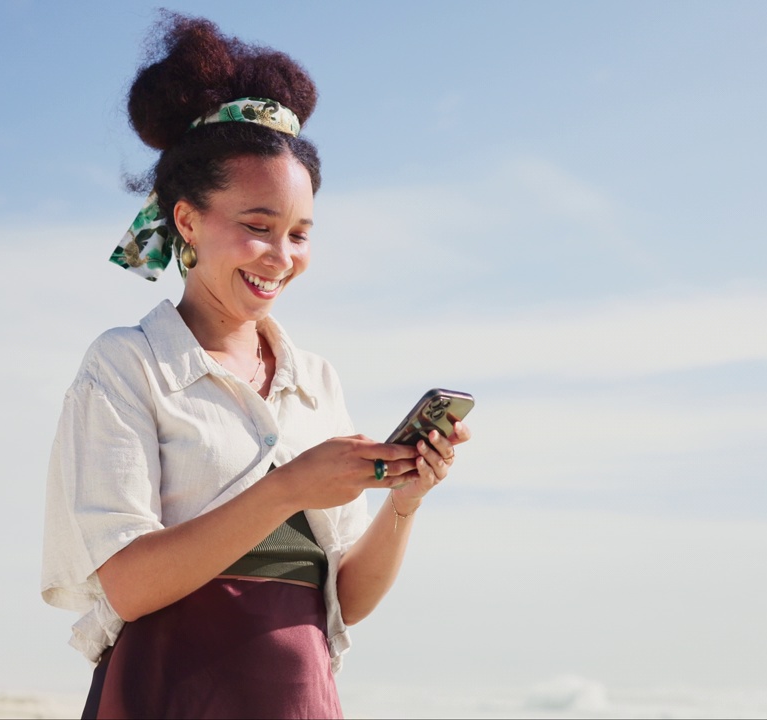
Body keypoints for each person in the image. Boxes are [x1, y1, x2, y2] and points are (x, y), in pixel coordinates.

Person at [41, 13, 472, 719]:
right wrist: (289, 487)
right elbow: (127, 585)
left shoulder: (317, 381)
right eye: (257, 226)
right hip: (168, 692)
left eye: (300, 233)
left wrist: (405, 501)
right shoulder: (126, 365)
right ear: (186, 222)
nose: (281, 256)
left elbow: (345, 603)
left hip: (299, 696)